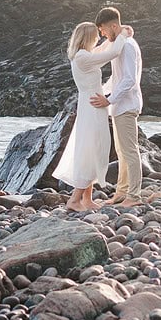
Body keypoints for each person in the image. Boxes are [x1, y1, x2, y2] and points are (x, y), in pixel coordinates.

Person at [53, 20, 132, 211]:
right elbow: (111, 53)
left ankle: (86, 200)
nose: (98, 38)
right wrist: (122, 35)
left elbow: (104, 49)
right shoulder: (82, 57)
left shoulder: (83, 54)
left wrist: (116, 35)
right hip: (92, 107)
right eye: (95, 36)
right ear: (88, 38)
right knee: (92, 148)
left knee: (94, 148)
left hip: (92, 105)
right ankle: (74, 200)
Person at [90, 5, 143, 207]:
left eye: (103, 30)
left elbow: (129, 79)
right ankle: (121, 193)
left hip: (126, 105)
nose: (102, 34)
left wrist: (109, 99)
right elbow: (117, 77)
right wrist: (102, 92)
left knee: (130, 151)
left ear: (113, 25)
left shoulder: (128, 45)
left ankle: (134, 196)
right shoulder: (121, 44)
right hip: (120, 106)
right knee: (122, 152)